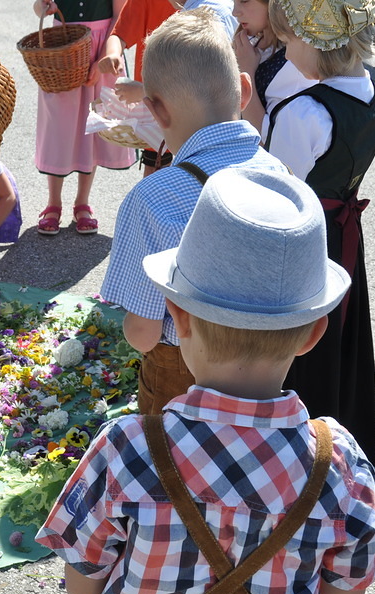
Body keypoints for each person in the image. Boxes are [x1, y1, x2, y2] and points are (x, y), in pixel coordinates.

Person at [37, 168, 375, 594]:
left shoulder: (127, 446)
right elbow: (346, 591)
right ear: (314, 334)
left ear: (178, 317)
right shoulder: (337, 462)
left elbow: (84, 586)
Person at [100, 9, 286, 416]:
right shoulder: (280, 176)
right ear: (243, 90)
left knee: (170, 455)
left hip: (180, 371)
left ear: (156, 111)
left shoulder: (152, 198)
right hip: (270, 370)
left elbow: (144, 334)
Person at [264, 0, 375, 464]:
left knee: (300, 348)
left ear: (319, 42)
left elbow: (277, 192)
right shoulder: (371, 94)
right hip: (343, 237)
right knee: (336, 340)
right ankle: (341, 445)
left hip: (303, 241)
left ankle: (295, 457)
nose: (284, 50)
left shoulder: (305, 112)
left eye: (289, 39)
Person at [99, 0, 238, 176]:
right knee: (157, 165)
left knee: (194, 166)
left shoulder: (206, 13)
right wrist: (113, 53)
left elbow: (193, 81)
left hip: (188, 111)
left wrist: (143, 91)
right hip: (157, 111)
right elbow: (120, 33)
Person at [33, 0, 136, 236]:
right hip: (63, 47)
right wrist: (44, 7)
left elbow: (120, 17)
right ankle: (53, 203)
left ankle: (82, 202)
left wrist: (102, 60)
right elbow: (39, 9)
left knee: (93, 125)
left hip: (103, 46)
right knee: (58, 125)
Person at [230, 0, 312, 132]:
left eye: (244, 1)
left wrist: (246, 71)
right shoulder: (251, 43)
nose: (235, 12)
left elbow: (269, 136)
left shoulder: (293, 62)